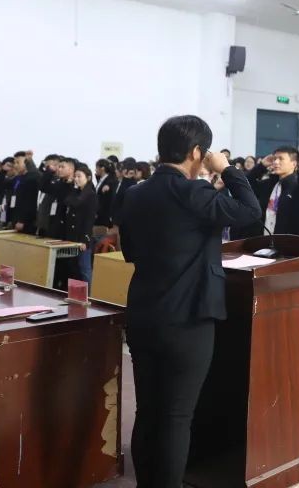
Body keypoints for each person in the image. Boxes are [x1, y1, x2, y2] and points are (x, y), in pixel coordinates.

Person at [118, 115, 261, 487]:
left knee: (148, 411)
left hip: (144, 312)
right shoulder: (195, 193)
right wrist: (228, 169)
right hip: (189, 318)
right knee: (176, 416)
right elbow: (250, 211)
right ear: (198, 152)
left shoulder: (134, 193)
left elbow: (130, 251)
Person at [64, 163, 99, 286]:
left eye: (79, 176)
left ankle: (88, 294)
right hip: (72, 236)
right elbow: (68, 201)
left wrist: (85, 239)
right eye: (75, 176)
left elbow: (89, 220)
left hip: (83, 237)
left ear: (88, 178)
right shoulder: (76, 192)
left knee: (84, 269)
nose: (76, 179)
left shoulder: (91, 195)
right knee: (73, 268)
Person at [8, 150, 40, 233]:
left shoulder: (32, 178)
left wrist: (22, 220)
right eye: (14, 163)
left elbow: (30, 201)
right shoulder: (18, 178)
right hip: (15, 217)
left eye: (18, 163)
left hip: (26, 221)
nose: (15, 165)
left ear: (26, 163)